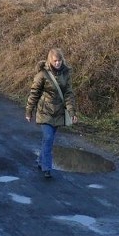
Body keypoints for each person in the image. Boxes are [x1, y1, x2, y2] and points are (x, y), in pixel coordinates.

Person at [25, 48, 77, 178]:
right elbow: (34, 94)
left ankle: (41, 161)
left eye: (59, 60)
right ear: (50, 60)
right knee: (48, 138)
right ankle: (47, 168)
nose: (58, 63)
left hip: (58, 113)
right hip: (45, 112)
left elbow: (68, 94)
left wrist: (71, 112)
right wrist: (29, 111)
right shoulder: (42, 74)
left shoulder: (65, 73)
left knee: (49, 139)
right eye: (55, 61)